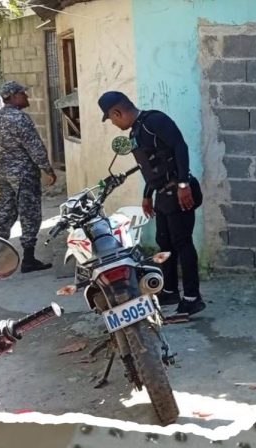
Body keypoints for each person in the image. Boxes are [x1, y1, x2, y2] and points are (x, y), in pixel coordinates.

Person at [97, 91, 205, 317]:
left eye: (111, 118)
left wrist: (183, 184)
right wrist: (147, 195)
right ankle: (170, 290)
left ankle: (192, 298)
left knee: (182, 243)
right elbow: (150, 167)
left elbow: (180, 147)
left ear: (117, 112)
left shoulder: (154, 121)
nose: (113, 123)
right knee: (164, 242)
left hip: (178, 191)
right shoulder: (135, 131)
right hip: (162, 195)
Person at [0, 81, 56, 273]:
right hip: (24, 173)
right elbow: (35, 147)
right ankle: (29, 259)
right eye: (23, 94)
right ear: (13, 96)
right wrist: (47, 169)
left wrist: (6, 160)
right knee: (29, 213)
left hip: (2, 172)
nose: (27, 96)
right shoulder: (20, 118)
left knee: (6, 212)